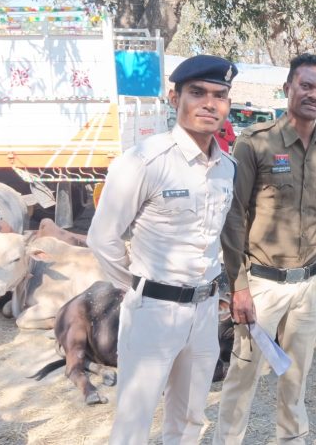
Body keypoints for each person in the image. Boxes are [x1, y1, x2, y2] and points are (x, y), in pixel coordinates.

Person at [87, 54, 238, 445]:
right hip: (153, 311)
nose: (210, 104)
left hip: (205, 310)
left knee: (189, 418)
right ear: (175, 98)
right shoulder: (144, 161)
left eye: (220, 95)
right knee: (134, 421)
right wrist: (139, 288)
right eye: (197, 93)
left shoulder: (227, 168)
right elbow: (102, 238)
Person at [215, 53, 316, 445]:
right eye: (306, 86)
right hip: (262, 285)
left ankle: (292, 439)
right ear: (288, 87)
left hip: (309, 284)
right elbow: (233, 216)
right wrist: (238, 286)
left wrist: (309, 256)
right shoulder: (256, 143)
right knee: (243, 374)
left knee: (296, 376)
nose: (314, 95)